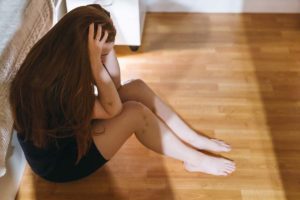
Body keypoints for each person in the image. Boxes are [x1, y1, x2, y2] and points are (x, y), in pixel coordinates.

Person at [9, 4, 235, 183]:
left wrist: (104, 52)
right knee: (135, 114)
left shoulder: (58, 56)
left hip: (68, 133)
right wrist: (97, 67)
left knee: (135, 86)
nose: (105, 55)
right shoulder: (59, 87)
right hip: (60, 162)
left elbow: (114, 87)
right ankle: (195, 160)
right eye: (101, 51)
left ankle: (194, 140)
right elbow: (114, 108)